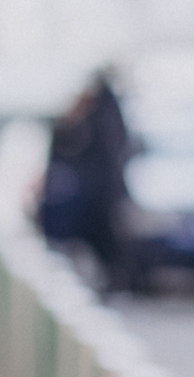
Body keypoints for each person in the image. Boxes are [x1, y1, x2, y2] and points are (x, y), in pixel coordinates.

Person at [39, 71, 133, 289]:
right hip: (98, 192)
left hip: (100, 193)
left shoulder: (102, 115)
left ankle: (113, 280)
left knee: (105, 242)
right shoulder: (98, 115)